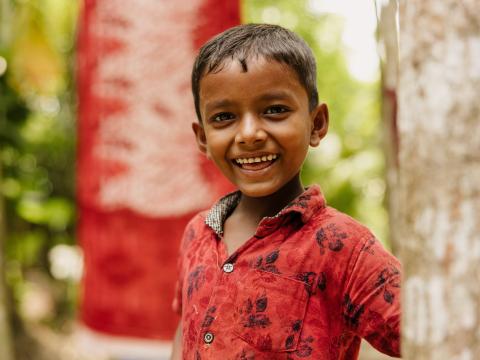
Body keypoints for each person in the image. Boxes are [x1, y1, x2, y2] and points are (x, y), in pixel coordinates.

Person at [170, 23, 401, 360]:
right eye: (224, 117)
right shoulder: (196, 234)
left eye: (275, 110)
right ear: (203, 137)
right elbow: (184, 329)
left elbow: (435, 334)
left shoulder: (345, 248)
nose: (249, 134)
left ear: (317, 123)